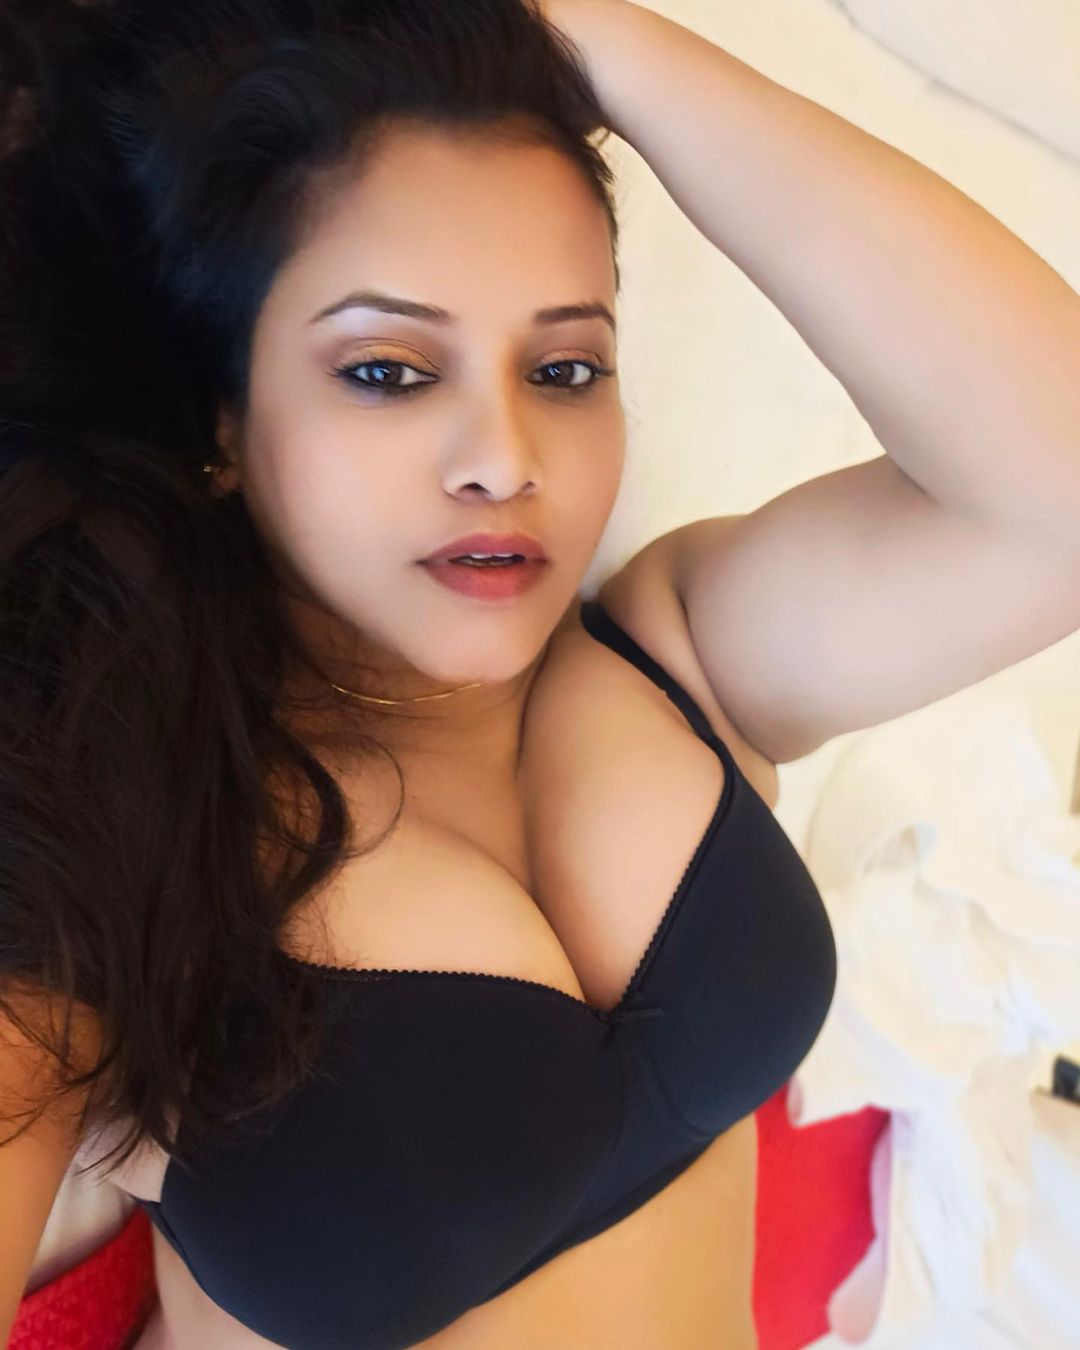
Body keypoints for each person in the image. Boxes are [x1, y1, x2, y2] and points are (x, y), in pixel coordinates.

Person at [3, 1, 1078, 1347]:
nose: (505, 460)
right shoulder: (112, 823)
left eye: (565, 367)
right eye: (389, 371)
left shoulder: (682, 651)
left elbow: (1054, 496)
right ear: (224, 418)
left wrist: (571, 33)